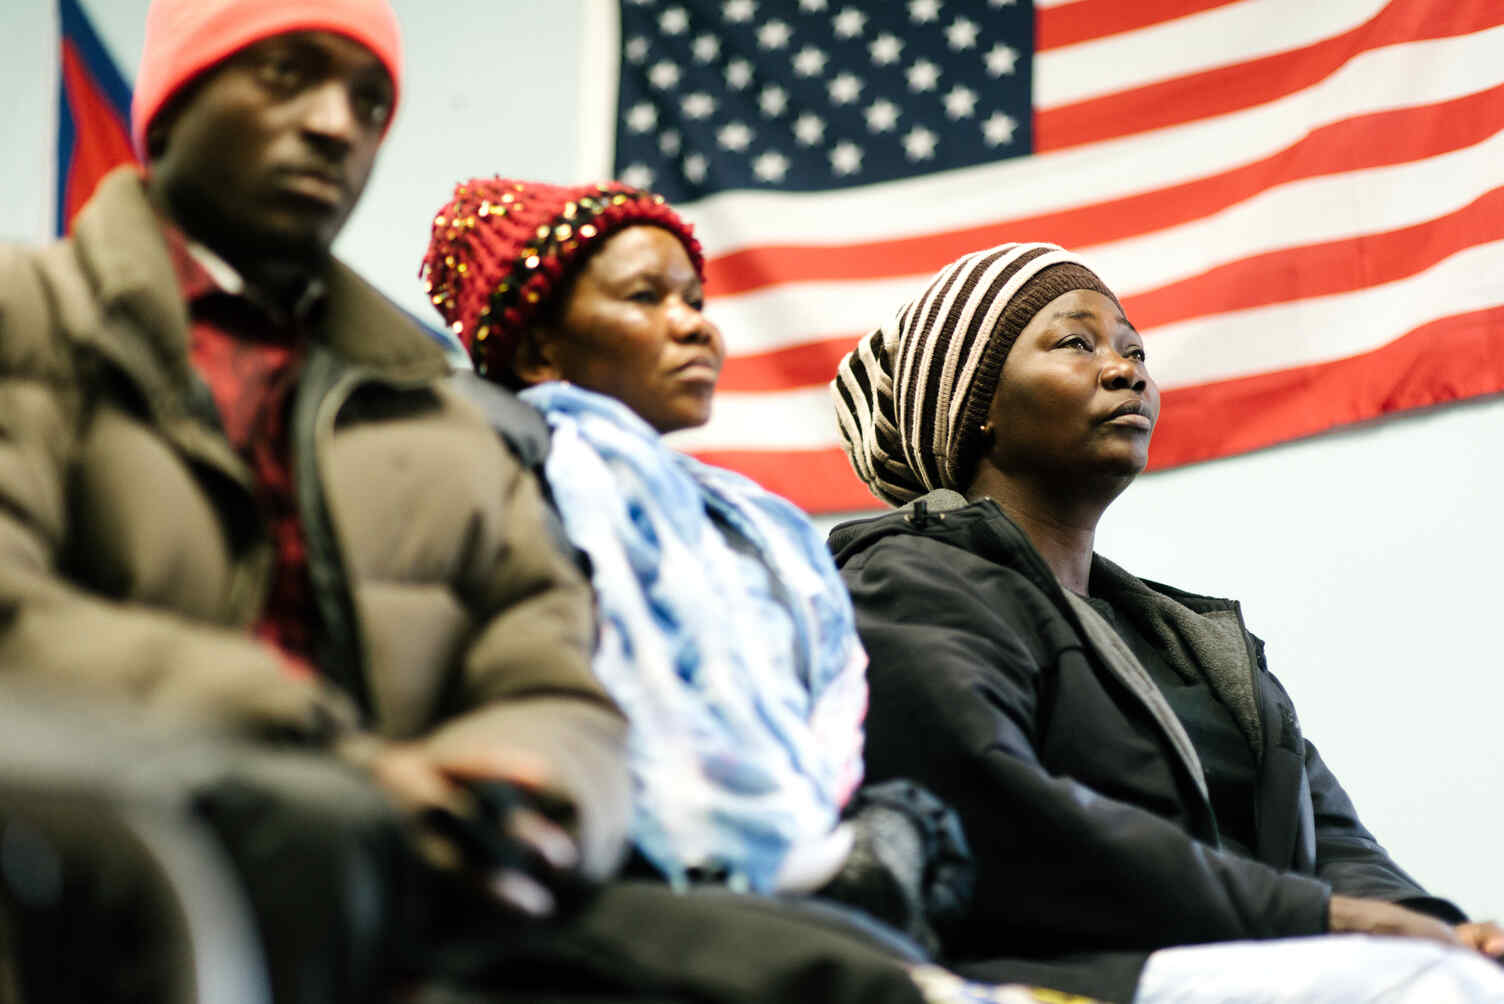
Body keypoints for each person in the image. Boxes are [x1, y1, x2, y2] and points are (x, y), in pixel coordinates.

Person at [0, 0, 630, 994]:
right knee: (316, 831)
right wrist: (329, 745)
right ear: (170, 108)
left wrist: (517, 786)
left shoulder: (442, 410)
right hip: (128, 828)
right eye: (288, 75)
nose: (337, 122)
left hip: (429, 855)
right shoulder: (27, 313)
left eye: (368, 99)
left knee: (812, 960)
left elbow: (548, 662)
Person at [417, 178, 1078, 1004]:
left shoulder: (756, 521)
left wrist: (881, 835)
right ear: (540, 350)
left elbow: (823, 697)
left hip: (810, 874)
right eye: (645, 297)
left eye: (695, 298)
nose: (694, 323)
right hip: (597, 882)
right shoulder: (505, 477)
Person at [828, 241, 1504, 1001]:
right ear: (975, 406)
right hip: (1068, 978)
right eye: (1075, 343)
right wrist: (1326, 919)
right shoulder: (907, 580)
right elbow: (993, 809)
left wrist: (1430, 923)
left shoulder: (1197, 645)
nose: (1127, 371)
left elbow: (1332, 835)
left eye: (1134, 350)